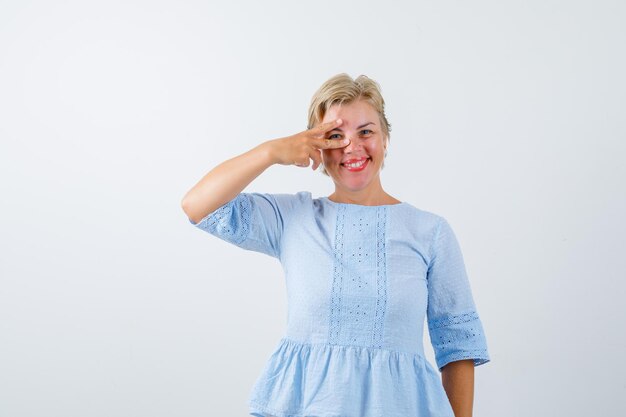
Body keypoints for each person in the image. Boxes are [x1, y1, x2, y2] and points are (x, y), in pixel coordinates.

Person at [181, 73, 491, 417]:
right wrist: (271, 152)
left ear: (386, 138)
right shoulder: (294, 218)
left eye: (366, 132)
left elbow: (457, 344)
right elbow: (198, 206)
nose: (352, 147)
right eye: (334, 136)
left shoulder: (430, 231)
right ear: (316, 146)